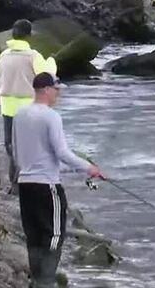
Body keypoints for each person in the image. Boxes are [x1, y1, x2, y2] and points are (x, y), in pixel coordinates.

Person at [13, 72, 105, 288]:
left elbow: (17, 153)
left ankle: (36, 281)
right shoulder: (51, 116)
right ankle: (44, 283)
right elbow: (62, 153)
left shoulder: (19, 114)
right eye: (56, 89)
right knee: (54, 236)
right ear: (46, 90)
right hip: (48, 187)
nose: (58, 93)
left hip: (25, 186)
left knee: (33, 236)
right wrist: (89, 167)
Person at [0, 19, 57, 194]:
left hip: (7, 106)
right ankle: (23, 182)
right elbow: (47, 76)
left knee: (10, 144)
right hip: (27, 108)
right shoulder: (33, 56)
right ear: (29, 36)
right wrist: (52, 61)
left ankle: (14, 182)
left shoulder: (3, 56)